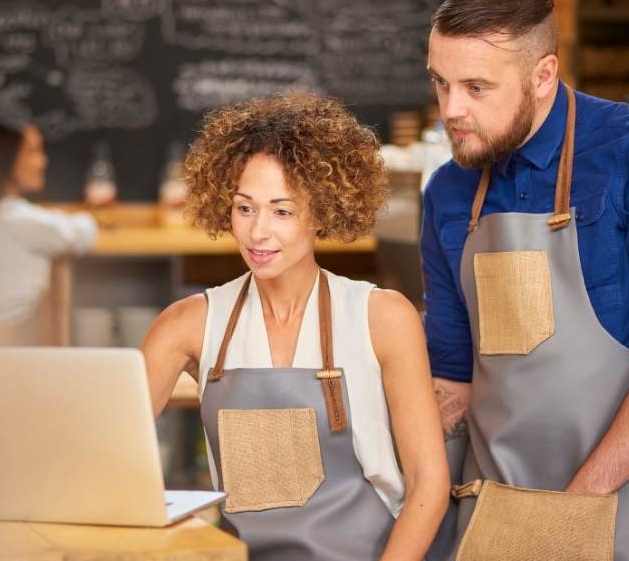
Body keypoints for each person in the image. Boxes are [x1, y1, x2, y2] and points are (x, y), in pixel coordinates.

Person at [420, 0, 629, 561]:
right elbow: (454, 372)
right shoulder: (448, 193)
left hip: (622, 503)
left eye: (477, 88)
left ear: (543, 76)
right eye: (441, 83)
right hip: (495, 505)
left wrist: (573, 510)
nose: (451, 110)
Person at [141, 92, 449, 560]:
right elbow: (107, 448)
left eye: (282, 211)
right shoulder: (188, 325)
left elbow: (429, 483)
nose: (258, 232)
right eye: (245, 208)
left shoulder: (382, 317)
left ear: (321, 212)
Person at [0, 123, 96, 344]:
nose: (43, 162)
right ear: (5, 159)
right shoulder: (17, 219)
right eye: (33, 152)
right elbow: (82, 232)